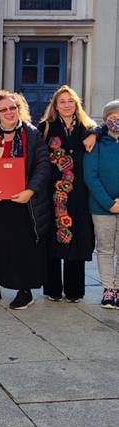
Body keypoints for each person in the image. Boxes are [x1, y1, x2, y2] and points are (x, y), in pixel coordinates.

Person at [0, 90, 51, 310]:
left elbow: (43, 166)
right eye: (4, 109)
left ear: (19, 109)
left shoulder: (32, 135)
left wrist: (30, 191)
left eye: (13, 108)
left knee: (22, 247)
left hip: (23, 202)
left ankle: (25, 291)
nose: (9, 112)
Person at [38, 85, 97, 303]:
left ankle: (74, 290)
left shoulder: (87, 127)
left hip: (79, 193)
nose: (66, 105)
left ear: (76, 104)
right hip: (53, 192)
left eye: (70, 101)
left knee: (77, 238)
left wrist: (94, 133)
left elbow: (102, 129)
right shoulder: (45, 127)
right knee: (53, 238)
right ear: (55, 105)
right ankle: (52, 288)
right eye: (62, 102)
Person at [83, 100, 119, 309]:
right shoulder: (95, 143)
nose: (116, 122)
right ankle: (108, 289)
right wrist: (108, 203)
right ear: (105, 121)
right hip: (101, 207)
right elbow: (91, 175)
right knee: (105, 249)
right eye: (112, 118)